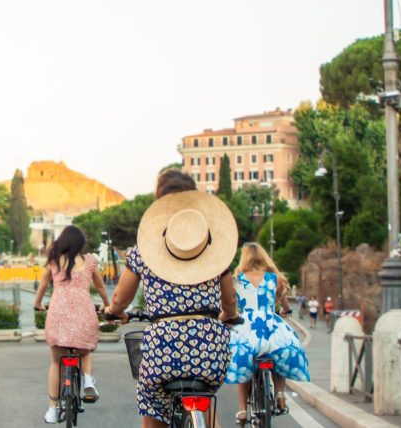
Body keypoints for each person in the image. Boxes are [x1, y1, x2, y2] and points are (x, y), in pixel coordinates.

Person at [103, 170, 239, 428]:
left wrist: (113, 310)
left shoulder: (143, 252)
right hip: (210, 351)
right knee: (206, 398)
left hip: (162, 351)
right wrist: (229, 317)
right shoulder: (213, 248)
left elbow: (120, 299)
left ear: (160, 204)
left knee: (152, 402)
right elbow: (229, 303)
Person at [226, 243, 311, 425]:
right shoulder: (274, 279)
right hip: (270, 325)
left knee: (243, 362)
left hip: (246, 325)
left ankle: (242, 409)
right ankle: (279, 392)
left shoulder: (237, 279)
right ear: (263, 257)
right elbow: (284, 303)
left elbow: (230, 304)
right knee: (281, 350)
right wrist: (286, 310)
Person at [32, 225, 110, 424]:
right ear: (81, 243)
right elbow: (101, 287)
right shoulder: (90, 262)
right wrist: (106, 305)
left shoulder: (54, 261)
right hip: (84, 313)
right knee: (85, 352)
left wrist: (38, 304)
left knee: (56, 362)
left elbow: (42, 285)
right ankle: (88, 379)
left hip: (58, 314)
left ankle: (52, 409)